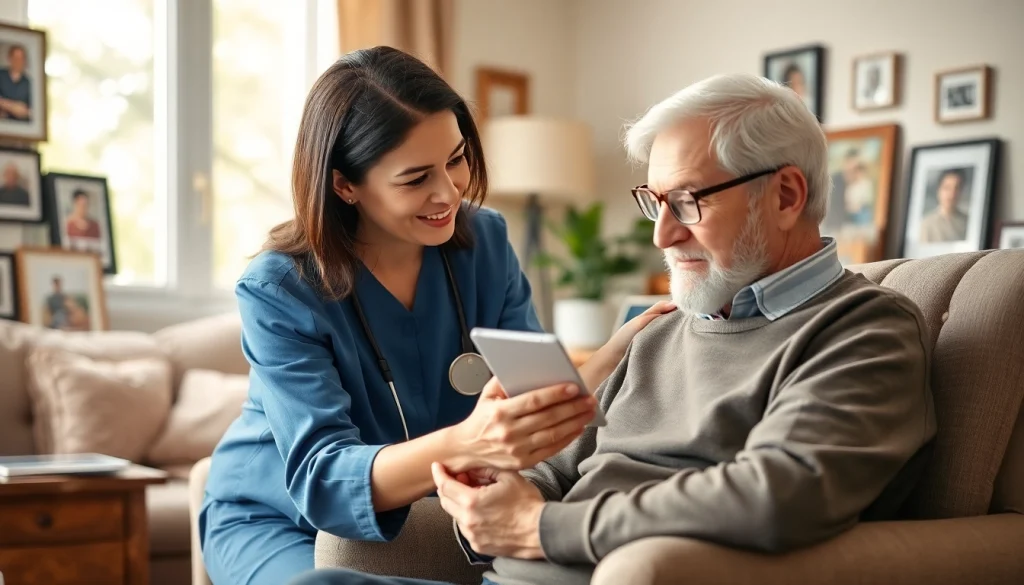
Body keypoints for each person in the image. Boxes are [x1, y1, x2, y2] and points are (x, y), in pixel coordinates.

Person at [289, 73, 936, 585]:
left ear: (787, 196)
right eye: (656, 202)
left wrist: (541, 528)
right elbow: (556, 468)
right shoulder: (661, 331)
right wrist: (494, 496)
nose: (662, 235)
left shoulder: (863, 330)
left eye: (689, 201)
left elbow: (777, 494)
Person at [198, 46, 672, 585]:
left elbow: (532, 397)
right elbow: (322, 478)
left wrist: (613, 356)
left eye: (456, 159)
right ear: (344, 184)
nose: (448, 192)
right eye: (415, 178)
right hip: (276, 519)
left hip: (430, 511)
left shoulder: (484, 241)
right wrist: (470, 441)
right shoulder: (278, 289)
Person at [919, 169, 969, 243]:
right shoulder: (926, 225)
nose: (952, 194)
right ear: (938, 190)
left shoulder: (968, 222)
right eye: (947, 188)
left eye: (957, 188)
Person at [64, 188, 103, 254]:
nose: (83, 208)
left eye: (85, 205)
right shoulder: (68, 225)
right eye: (80, 205)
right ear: (74, 204)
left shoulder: (95, 225)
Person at [0, 44, 31, 121]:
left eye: (21, 58)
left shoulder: (28, 83)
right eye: (15, 58)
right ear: (9, 59)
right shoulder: (1, 75)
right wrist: (11, 107)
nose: (18, 61)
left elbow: (31, 110)